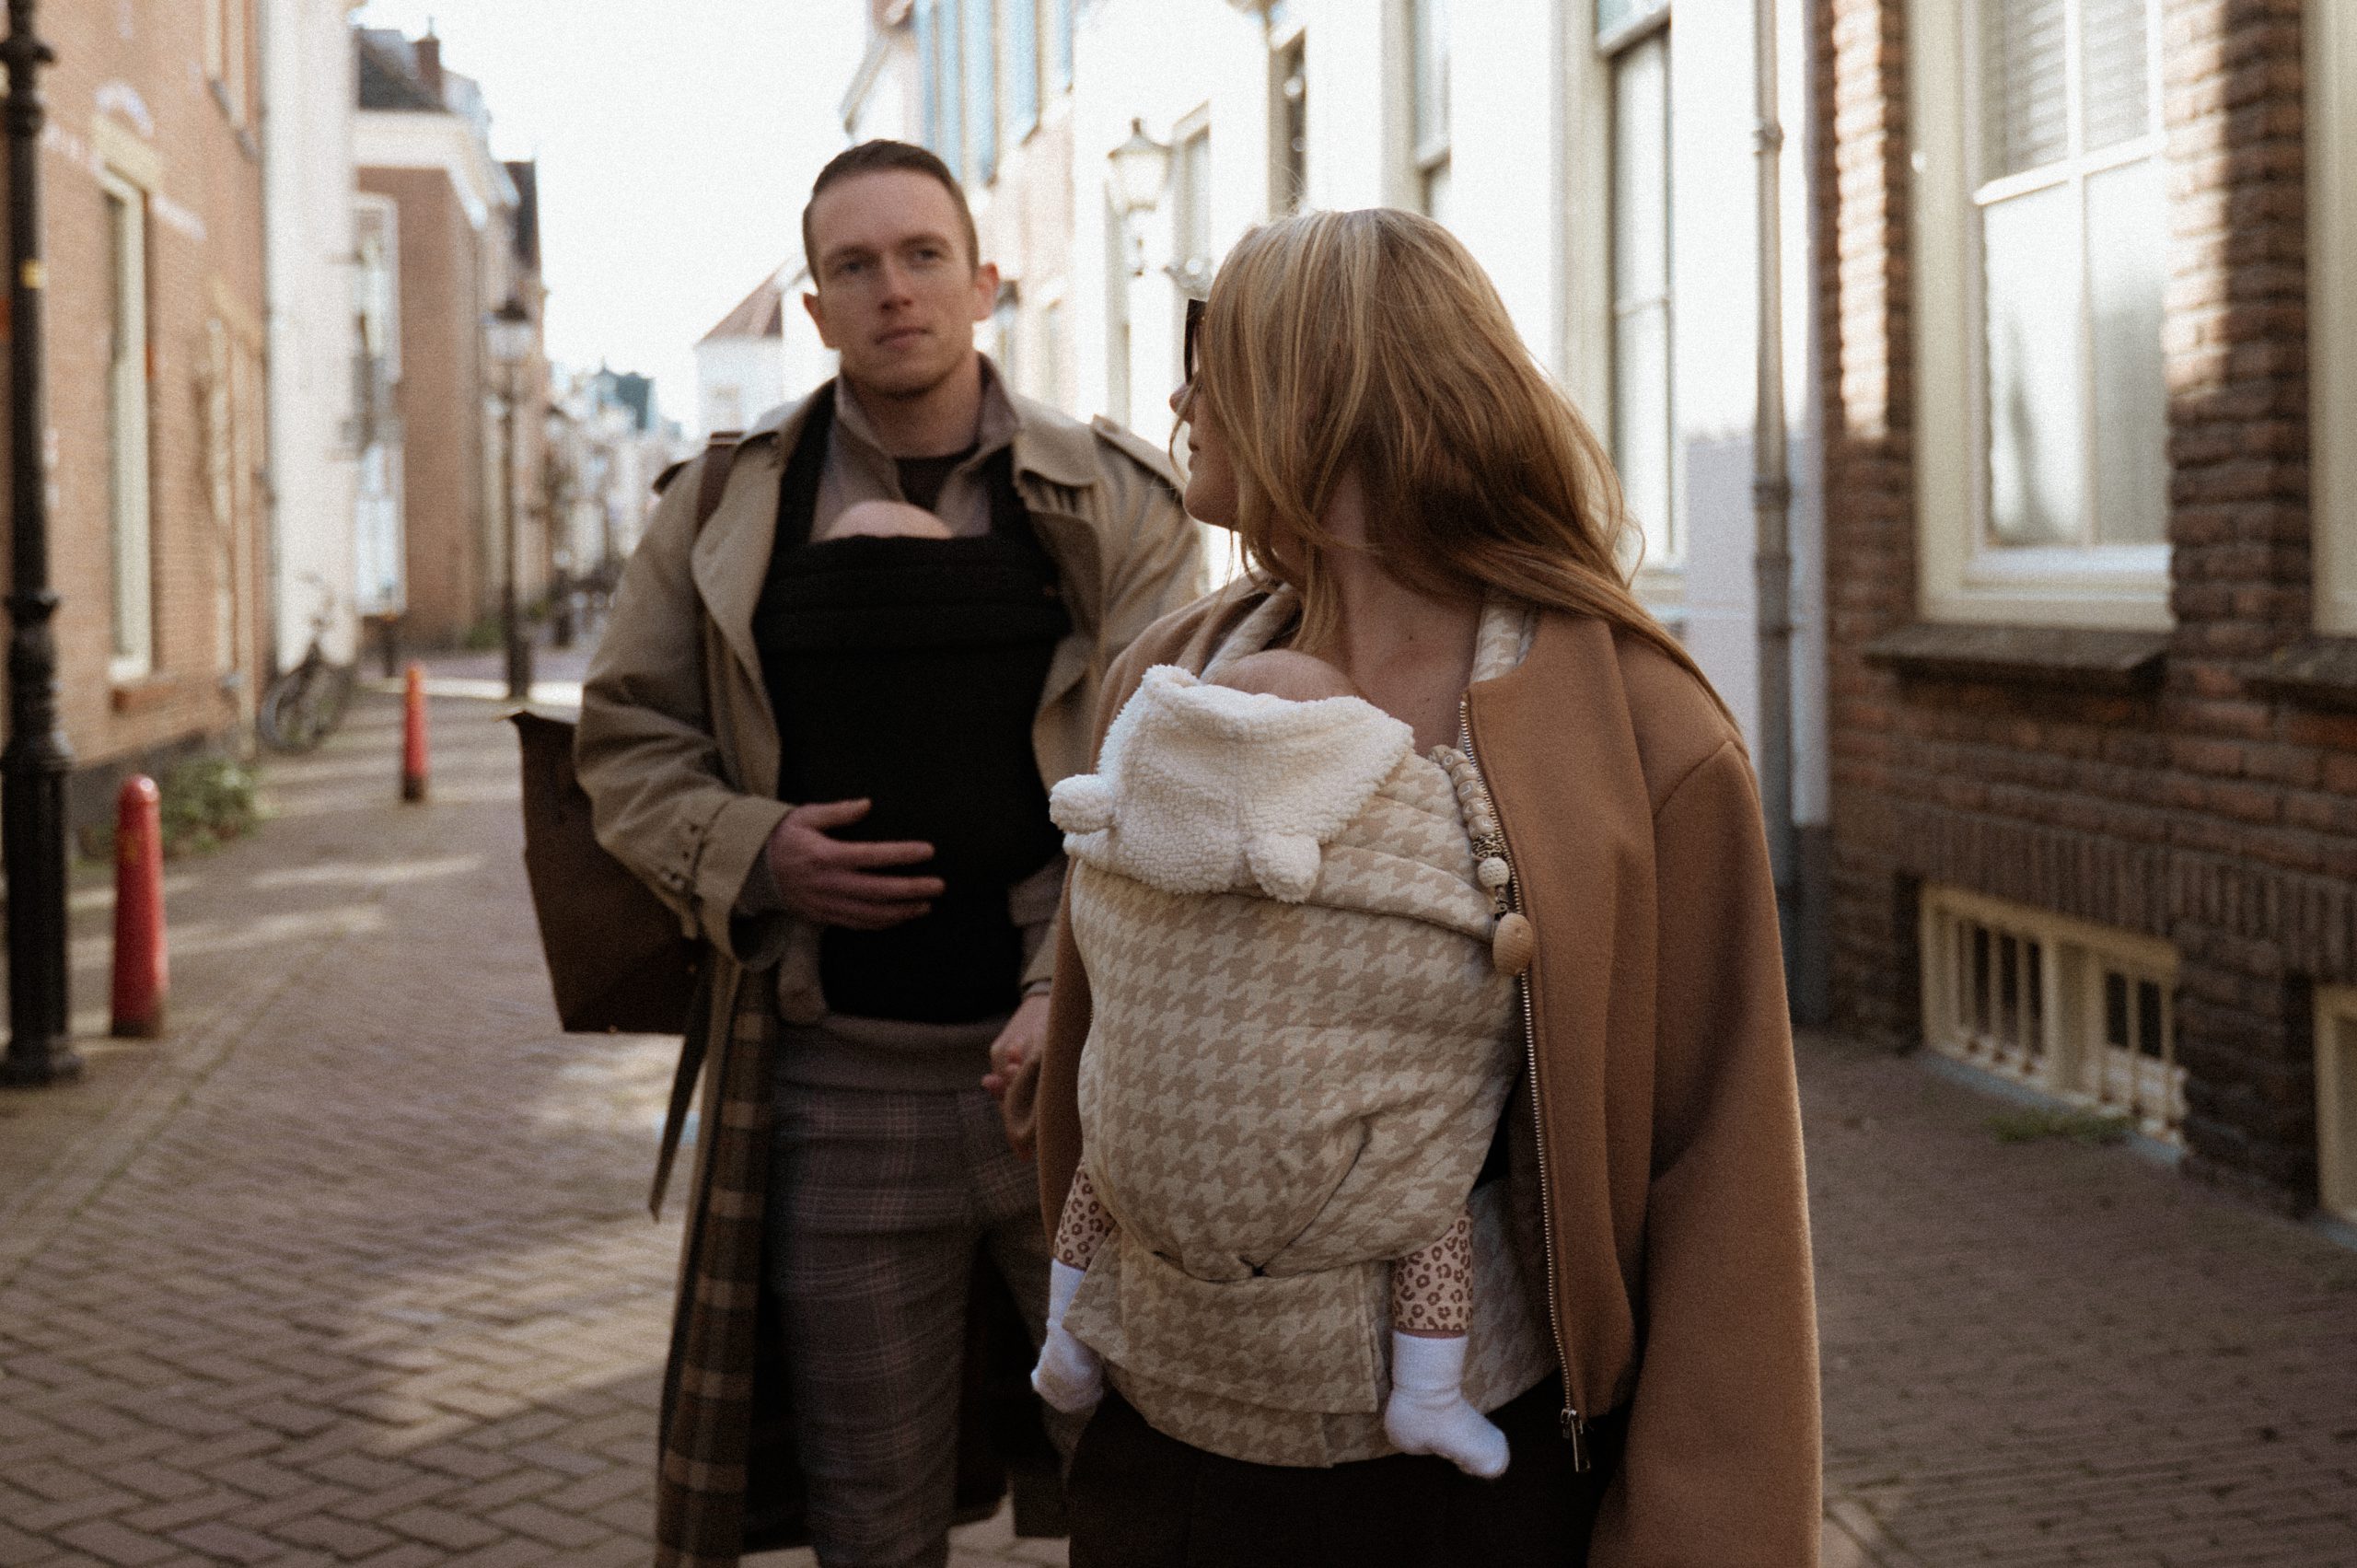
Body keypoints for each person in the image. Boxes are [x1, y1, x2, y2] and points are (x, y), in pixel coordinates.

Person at [997, 208, 1820, 1565]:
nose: (1179, 404)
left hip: (1468, 1485)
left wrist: (1694, 1534)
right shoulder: (1168, 679)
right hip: (1165, 1460)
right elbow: (1103, 1040)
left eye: (1212, 364)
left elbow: (1721, 1183)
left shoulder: (1640, 732)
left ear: (1321, 392)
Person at [575, 139, 1203, 1568]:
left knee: (1150, 1486)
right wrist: (753, 851)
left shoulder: (1121, 499)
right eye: (853, 266)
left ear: (984, 282)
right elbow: (626, 737)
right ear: (814, 309)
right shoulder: (722, 504)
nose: (894, 290)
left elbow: (1171, 761)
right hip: (835, 1089)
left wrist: (1056, 987)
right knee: (871, 1517)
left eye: (923, 256)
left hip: (1086, 1083)